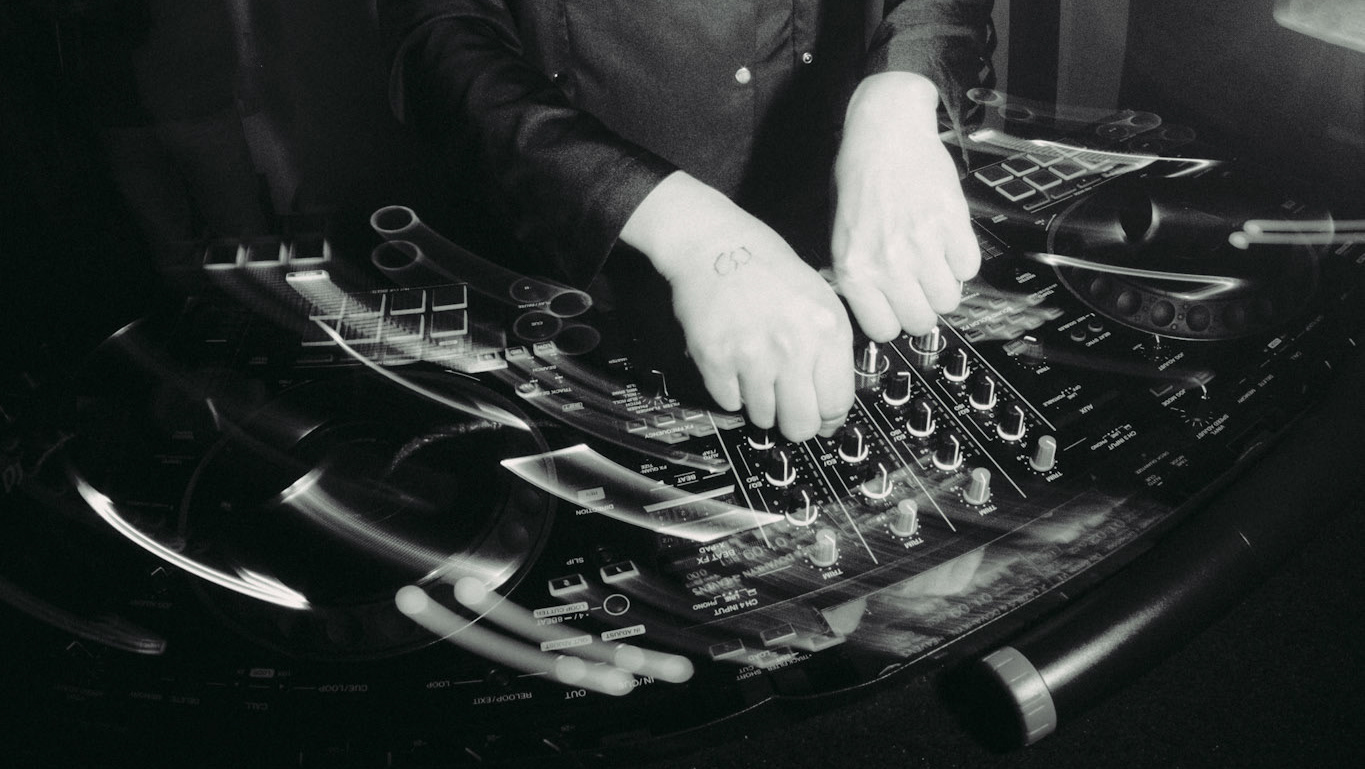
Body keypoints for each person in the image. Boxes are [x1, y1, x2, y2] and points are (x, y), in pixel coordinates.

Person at [379, 0, 995, 442]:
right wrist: (681, 225)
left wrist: (902, 89)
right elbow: (438, 39)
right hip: (588, 267)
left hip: (843, 226)